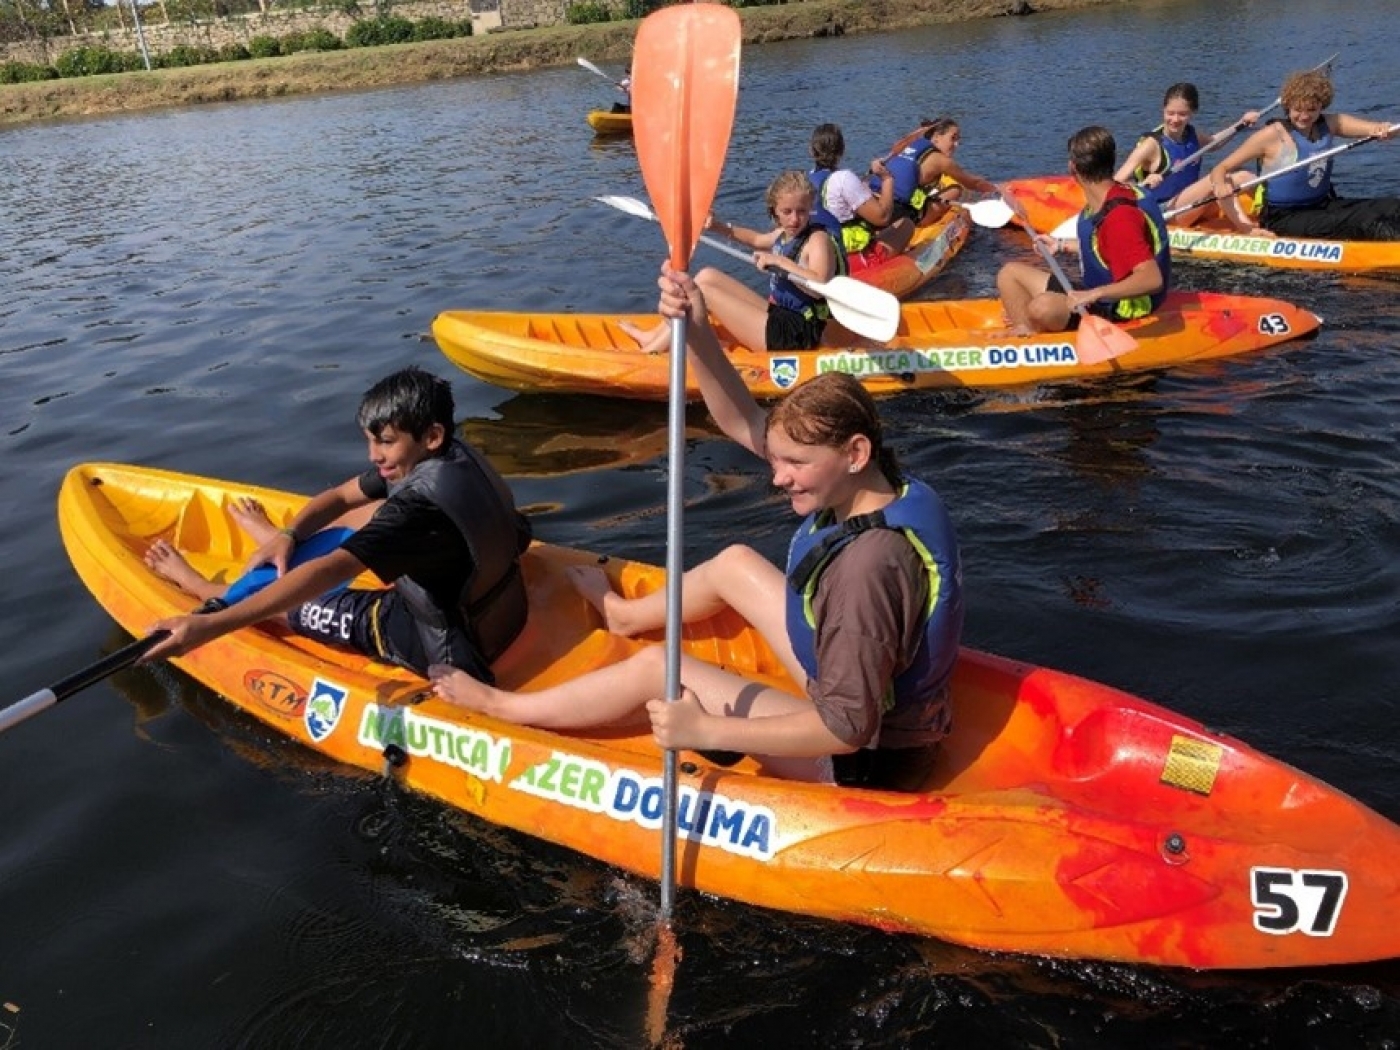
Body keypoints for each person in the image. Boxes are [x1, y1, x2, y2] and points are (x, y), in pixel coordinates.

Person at [433, 265, 965, 792]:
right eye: (778, 460)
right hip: (859, 685)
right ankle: (622, 615)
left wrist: (705, 728)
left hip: (868, 758)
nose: (778, 478)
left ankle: (504, 704)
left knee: (655, 668)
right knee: (735, 563)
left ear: (854, 451)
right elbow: (742, 422)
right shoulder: (878, 482)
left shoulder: (868, 568)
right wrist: (700, 333)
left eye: (794, 465)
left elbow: (847, 729)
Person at [141, 367, 534, 681]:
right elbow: (343, 497)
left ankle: (205, 587)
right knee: (369, 511)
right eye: (370, 440)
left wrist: (212, 626)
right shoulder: (455, 455)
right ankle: (277, 547)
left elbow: (330, 571)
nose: (373, 455)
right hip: (505, 610)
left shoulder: (416, 509)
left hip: (443, 642)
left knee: (305, 602)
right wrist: (288, 534)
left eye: (384, 442)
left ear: (431, 435)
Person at [621, 170, 845, 355]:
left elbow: (820, 285)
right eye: (787, 212)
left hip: (797, 333)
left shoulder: (817, 240)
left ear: (810, 209)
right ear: (775, 211)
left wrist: (780, 262)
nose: (794, 219)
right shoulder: (784, 233)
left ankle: (651, 352)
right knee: (706, 276)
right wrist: (716, 226)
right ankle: (652, 337)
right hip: (780, 315)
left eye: (802, 211)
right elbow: (757, 240)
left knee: (701, 294)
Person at [997, 125, 1171, 336]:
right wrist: (1061, 245)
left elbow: (1152, 279)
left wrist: (1094, 294)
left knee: (1041, 307)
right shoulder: (1107, 197)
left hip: (1120, 306)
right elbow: (1107, 247)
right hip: (1095, 292)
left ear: (1073, 168)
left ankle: (1033, 332)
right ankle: (1025, 332)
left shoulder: (1120, 217)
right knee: (1009, 274)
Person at [1207, 68, 1399, 241]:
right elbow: (1220, 168)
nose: (1304, 116)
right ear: (1288, 107)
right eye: (1297, 110)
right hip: (1284, 217)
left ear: (1321, 107)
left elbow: (1378, 129)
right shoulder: (1271, 135)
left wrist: (1383, 129)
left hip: (1323, 205)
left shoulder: (1331, 123)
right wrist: (1220, 184)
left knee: (1393, 207)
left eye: (1311, 110)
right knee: (1369, 222)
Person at [1112, 82, 1259, 223]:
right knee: (1215, 177)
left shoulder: (1191, 134)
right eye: (1170, 113)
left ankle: (1272, 214)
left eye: (1182, 114)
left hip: (1189, 206)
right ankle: (1248, 230)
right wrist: (1143, 184)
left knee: (1244, 176)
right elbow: (1115, 183)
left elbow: (1214, 143)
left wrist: (1242, 124)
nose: (1175, 120)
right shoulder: (1150, 145)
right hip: (1163, 212)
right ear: (1163, 110)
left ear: (1192, 113)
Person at [875, 117, 998, 238]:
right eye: (953, 138)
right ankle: (919, 223)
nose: (957, 144)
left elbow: (902, 144)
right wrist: (997, 190)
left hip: (873, 201)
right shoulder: (941, 161)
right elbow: (973, 183)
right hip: (894, 212)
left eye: (958, 140)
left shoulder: (904, 147)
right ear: (937, 137)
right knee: (955, 189)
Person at [807, 122, 898, 262]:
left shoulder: (805, 179)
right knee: (906, 225)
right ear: (842, 150)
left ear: (812, 151)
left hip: (819, 251)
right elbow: (883, 218)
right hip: (846, 258)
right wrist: (886, 179)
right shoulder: (844, 178)